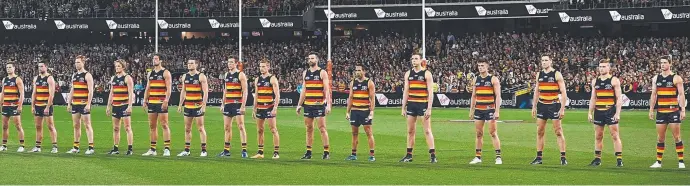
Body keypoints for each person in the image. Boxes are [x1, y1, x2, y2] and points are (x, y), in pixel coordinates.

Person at [648, 56, 686, 169]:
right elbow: (653, 95)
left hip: (673, 111)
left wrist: (682, 110)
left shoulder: (676, 78)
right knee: (660, 138)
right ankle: (658, 162)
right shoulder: (656, 78)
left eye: (664, 62)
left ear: (670, 64)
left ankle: (681, 161)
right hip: (661, 112)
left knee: (677, 137)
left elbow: (681, 94)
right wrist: (651, 110)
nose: (662, 65)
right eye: (661, 63)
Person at [530, 54, 568, 165]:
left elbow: (564, 92)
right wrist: (534, 106)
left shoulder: (556, 74)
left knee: (558, 131)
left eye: (546, 60)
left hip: (554, 105)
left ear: (550, 61)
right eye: (542, 60)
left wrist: (562, 109)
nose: (544, 62)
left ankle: (563, 157)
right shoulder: (539, 74)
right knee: (540, 131)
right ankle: (539, 157)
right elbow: (537, 91)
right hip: (542, 105)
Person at [399, 54, 437, 163]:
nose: (414, 61)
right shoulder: (408, 74)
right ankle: (409, 155)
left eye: (416, 59)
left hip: (423, 105)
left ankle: (433, 155)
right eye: (412, 59)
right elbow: (406, 91)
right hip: (411, 104)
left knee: (427, 130)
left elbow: (430, 92)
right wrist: (403, 107)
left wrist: (429, 108)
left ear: (421, 60)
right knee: (410, 131)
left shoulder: (427, 74)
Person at [587, 59, 624, 167]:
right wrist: (590, 112)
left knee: (615, 135)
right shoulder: (595, 81)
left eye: (604, 66)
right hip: (598, 111)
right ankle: (597, 159)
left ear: (609, 68)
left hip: (610, 110)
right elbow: (593, 98)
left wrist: (617, 113)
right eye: (600, 66)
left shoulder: (614, 80)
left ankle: (619, 159)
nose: (601, 68)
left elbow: (619, 98)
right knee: (598, 136)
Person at [296, 53, 331, 160]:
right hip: (308, 105)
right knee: (309, 128)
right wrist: (299, 104)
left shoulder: (322, 72)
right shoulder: (305, 73)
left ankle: (326, 152)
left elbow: (326, 90)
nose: (310, 60)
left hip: (319, 105)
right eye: (309, 58)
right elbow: (304, 90)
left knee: (322, 128)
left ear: (317, 60)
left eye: (312, 58)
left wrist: (328, 104)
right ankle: (308, 152)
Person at [468, 58, 502, 165]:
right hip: (479, 109)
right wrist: (471, 110)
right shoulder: (476, 79)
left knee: (492, 132)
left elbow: (498, 96)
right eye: (479, 66)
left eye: (482, 65)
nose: (480, 68)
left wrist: (497, 111)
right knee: (478, 133)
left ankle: (498, 157)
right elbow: (473, 96)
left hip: (490, 109)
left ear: (487, 66)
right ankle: (478, 157)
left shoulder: (493, 79)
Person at [217, 57, 249, 158]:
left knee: (241, 126)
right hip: (228, 104)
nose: (229, 64)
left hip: (237, 103)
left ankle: (244, 150)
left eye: (231, 62)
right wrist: (223, 103)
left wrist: (243, 105)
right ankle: (226, 151)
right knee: (227, 127)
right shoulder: (226, 75)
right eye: (228, 62)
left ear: (236, 64)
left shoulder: (240, 74)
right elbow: (225, 90)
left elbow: (245, 91)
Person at [250, 59, 281, 159]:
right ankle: (260, 152)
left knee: (273, 129)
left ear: (268, 67)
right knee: (259, 130)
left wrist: (275, 108)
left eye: (263, 66)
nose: (261, 68)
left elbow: (277, 95)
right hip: (260, 107)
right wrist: (254, 109)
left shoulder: (272, 78)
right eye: (260, 66)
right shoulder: (257, 79)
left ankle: (276, 152)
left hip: (269, 107)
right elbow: (256, 95)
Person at [177, 59, 209, 157]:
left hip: (198, 106)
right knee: (187, 129)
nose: (189, 65)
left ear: (196, 65)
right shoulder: (185, 76)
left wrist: (203, 105)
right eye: (188, 63)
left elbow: (205, 91)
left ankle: (204, 150)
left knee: (200, 128)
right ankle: (187, 150)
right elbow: (183, 91)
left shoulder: (201, 76)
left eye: (192, 63)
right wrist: (180, 104)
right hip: (188, 106)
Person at [142, 54, 173, 156]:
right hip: (152, 102)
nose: (154, 60)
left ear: (161, 61)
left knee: (164, 124)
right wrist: (145, 100)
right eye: (153, 59)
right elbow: (148, 87)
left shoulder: (165, 73)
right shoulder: (150, 73)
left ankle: (167, 148)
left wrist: (166, 101)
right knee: (152, 126)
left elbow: (169, 88)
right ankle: (152, 149)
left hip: (161, 102)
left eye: (156, 59)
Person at [345, 64, 376, 162]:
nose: (357, 72)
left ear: (364, 71)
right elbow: (350, 97)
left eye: (359, 70)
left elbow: (372, 98)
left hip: (365, 111)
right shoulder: (352, 82)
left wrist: (371, 111)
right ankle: (353, 154)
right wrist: (347, 112)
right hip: (354, 111)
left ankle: (372, 155)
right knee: (354, 133)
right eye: (356, 70)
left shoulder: (369, 83)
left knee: (369, 133)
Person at [66, 55, 95, 155]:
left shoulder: (87, 75)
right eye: (75, 62)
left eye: (78, 62)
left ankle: (91, 147)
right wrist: (69, 103)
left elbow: (91, 91)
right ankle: (76, 147)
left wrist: (88, 104)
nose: (76, 64)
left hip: (83, 104)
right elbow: (72, 90)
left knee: (87, 125)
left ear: (83, 63)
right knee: (76, 126)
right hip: (75, 103)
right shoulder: (74, 75)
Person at [106, 60, 135, 155]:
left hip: (124, 105)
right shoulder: (113, 78)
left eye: (119, 66)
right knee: (115, 128)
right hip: (116, 106)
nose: (117, 68)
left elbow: (131, 93)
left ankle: (130, 149)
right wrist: (108, 106)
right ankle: (115, 148)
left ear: (123, 67)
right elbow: (111, 93)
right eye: (116, 66)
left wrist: (130, 106)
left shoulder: (127, 78)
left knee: (127, 128)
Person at [30, 62, 58, 153]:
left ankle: (54, 146)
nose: (40, 68)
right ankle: (38, 146)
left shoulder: (49, 78)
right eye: (39, 66)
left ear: (46, 67)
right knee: (38, 126)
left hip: (46, 106)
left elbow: (51, 94)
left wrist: (47, 107)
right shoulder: (36, 78)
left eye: (42, 66)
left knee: (50, 126)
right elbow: (34, 93)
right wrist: (32, 106)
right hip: (38, 105)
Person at [0, 62, 25, 152]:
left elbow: (22, 93)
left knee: (18, 126)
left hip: (14, 106)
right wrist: (0, 103)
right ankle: (4, 145)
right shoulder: (4, 79)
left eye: (10, 67)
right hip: (5, 105)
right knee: (4, 126)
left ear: (14, 68)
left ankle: (22, 145)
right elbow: (2, 93)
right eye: (7, 67)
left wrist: (20, 105)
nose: (8, 69)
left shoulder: (17, 79)